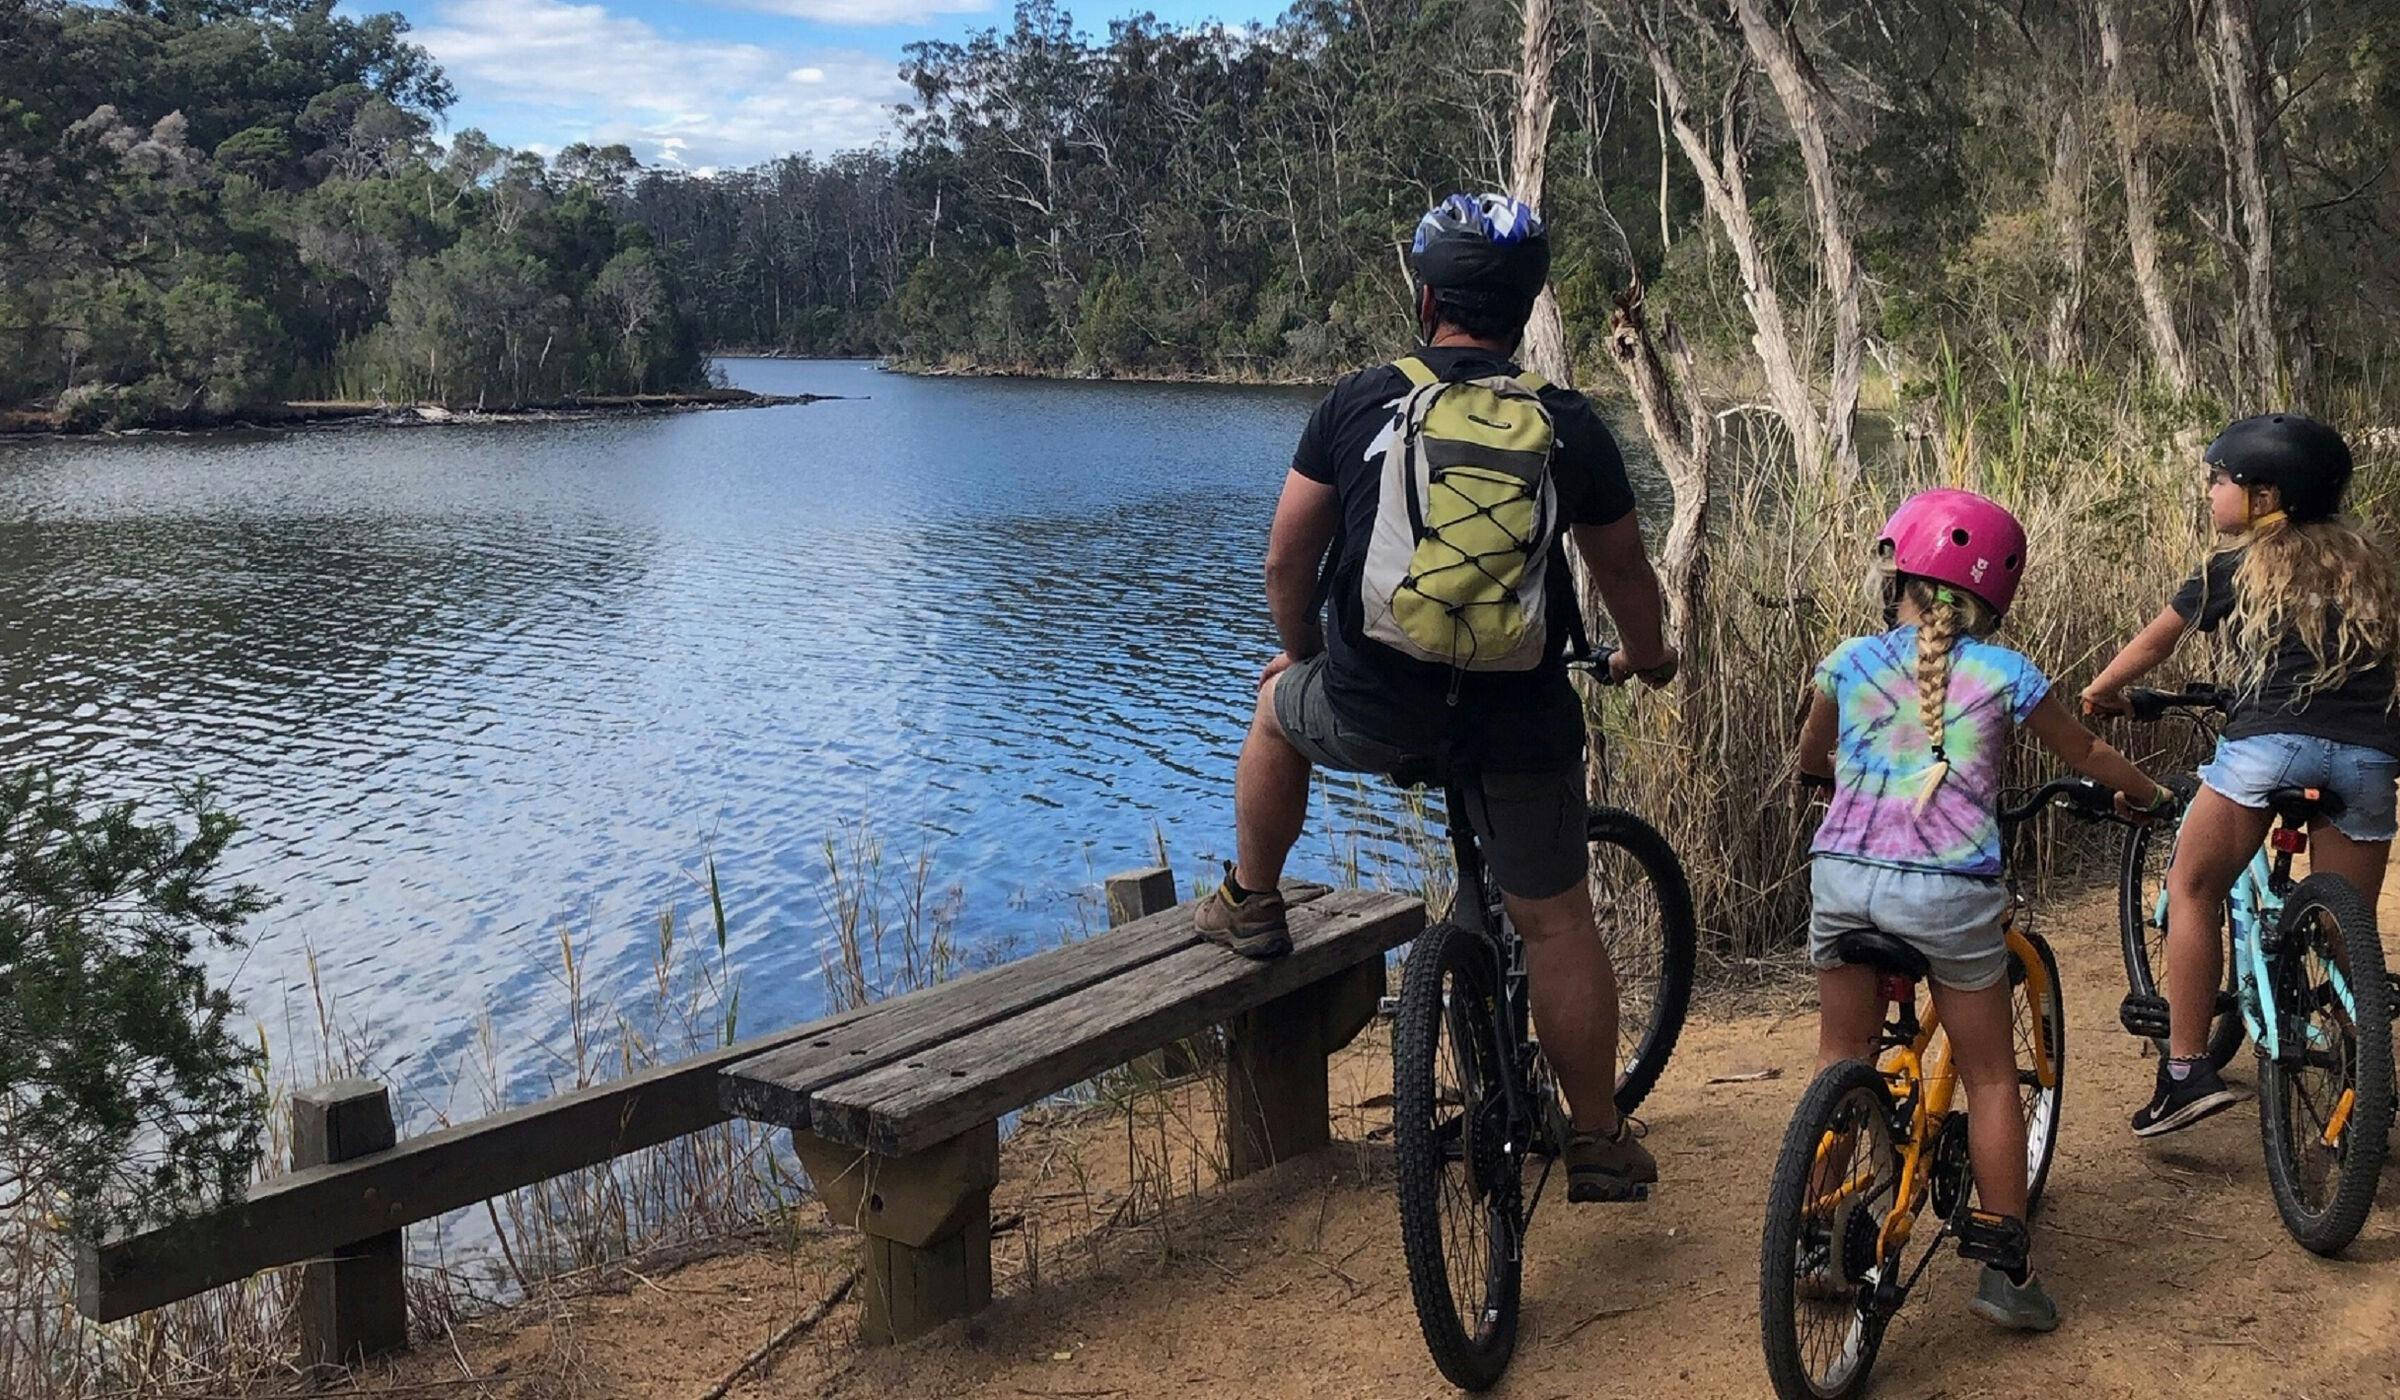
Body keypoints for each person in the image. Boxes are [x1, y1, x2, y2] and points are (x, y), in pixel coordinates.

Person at [1193, 192, 1679, 1203]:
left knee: (1278, 709)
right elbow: (1627, 574)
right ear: (1529, 304)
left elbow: (1289, 556)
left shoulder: (1359, 400)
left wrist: (1300, 655)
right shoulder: (1568, 421)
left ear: (1426, 298)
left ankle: (1253, 902)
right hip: (1518, 714)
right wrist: (1651, 656)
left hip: (1373, 700)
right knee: (1554, 922)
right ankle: (1594, 1134)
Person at [1797, 489, 2173, 1332]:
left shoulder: (1848, 658)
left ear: (1896, 573)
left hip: (1841, 880)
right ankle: (2004, 1270)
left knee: (1838, 1053)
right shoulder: (2006, 674)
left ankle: (1814, 1237)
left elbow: (1810, 754)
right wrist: (2148, 794)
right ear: (1992, 596)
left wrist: (1827, 783)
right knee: (1993, 1074)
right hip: (1949, 892)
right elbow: (2087, 751)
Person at [2083, 413, 2400, 1137]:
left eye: (2218, 480)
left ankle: (2187, 1071)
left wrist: (2100, 693)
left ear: (2264, 495)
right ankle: (2364, 1081)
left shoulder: (2235, 568)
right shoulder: (2375, 570)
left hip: (2270, 750)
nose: (2210, 491)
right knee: (2348, 935)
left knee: (2193, 888)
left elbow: (2155, 644)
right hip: (2372, 758)